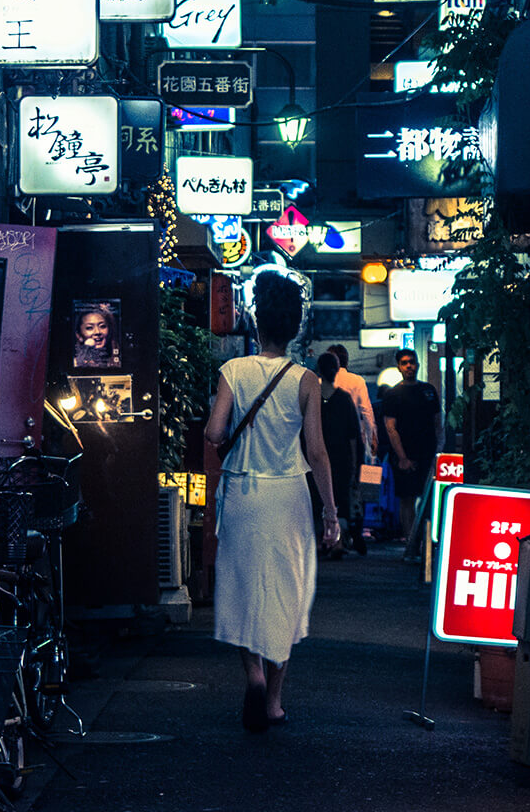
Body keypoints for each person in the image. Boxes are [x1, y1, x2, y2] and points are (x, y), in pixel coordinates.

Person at [203, 272, 339, 733]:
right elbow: (317, 450)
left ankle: (254, 674)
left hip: (242, 491)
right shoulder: (306, 380)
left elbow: (215, 434)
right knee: (286, 591)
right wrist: (331, 512)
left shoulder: (233, 372)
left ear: (257, 324)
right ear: (295, 327)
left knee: (242, 587)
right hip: (289, 495)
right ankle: (275, 701)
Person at [379, 348, 442, 557]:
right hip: (404, 454)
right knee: (406, 498)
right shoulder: (393, 395)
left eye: (412, 362)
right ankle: (410, 543)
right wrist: (402, 457)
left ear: (417, 364)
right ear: (399, 366)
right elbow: (390, 427)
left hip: (427, 453)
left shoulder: (429, 391)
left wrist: (438, 454)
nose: (409, 366)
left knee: (428, 499)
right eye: (405, 363)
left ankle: (424, 543)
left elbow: (437, 423)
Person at [314, 352, 361, 559]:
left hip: (313, 458)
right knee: (339, 499)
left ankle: (318, 541)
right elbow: (353, 435)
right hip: (341, 459)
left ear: (319, 370)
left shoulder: (311, 397)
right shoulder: (344, 399)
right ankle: (338, 542)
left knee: (317, 499)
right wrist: (355, 465)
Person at [325, 344, 377, 460]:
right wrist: (372, 438)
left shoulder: (320, 383)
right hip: (353, 438)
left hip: (328, 439)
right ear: (346, 362)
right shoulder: (357, 381)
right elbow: (366, 411)